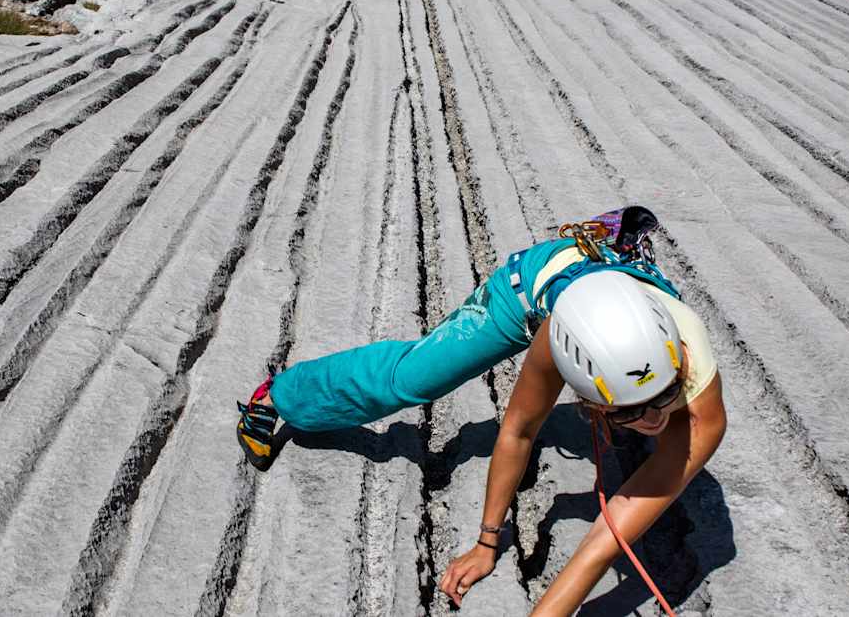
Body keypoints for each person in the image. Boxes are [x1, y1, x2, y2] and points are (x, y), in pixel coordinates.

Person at [235, 208, 727, 614]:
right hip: (532, 287)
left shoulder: (700, 397)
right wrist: (488, 543)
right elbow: (518, 431)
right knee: (411, 380)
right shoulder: (552, 343)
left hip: (615, 306)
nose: (658, 421)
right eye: (630, 413)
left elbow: (606, 540)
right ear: (584, 398)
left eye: (667, 396)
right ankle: (279, 395)